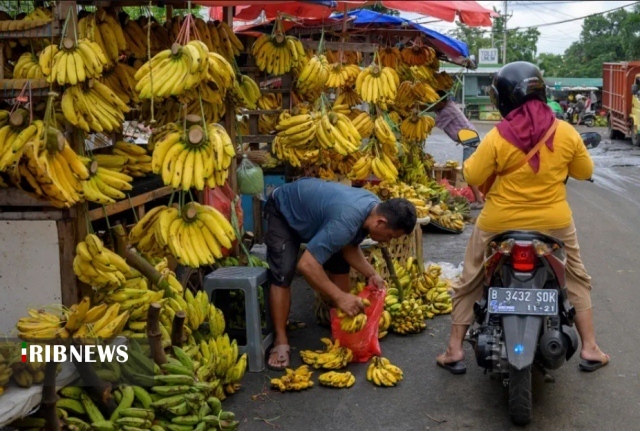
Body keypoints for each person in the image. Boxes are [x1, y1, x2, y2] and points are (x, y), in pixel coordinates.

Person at [436, 61, 609, 374]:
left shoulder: (497, 136)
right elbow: (585, 172)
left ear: (504, 98)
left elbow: (472, 173)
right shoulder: (566, 132)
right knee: (576, 277)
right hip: (554, 223)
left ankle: (454, 349)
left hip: (499, 223)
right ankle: (590, 347)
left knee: (470, 279)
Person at [263, 177, 417, 369]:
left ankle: (340, 330)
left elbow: (349, 247)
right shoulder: (346, 220)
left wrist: (371, 274)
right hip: (284, 210)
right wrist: (340, 297)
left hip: (317, 215)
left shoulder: (372, 209)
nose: (387, 241)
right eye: (390, 236)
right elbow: (307, 265)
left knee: (340, 265)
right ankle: (280, 340)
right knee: (283, 272)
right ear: (380, 222)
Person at [432, 91, 485, 209]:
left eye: (436, 102)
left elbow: (432, 124)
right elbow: (433, 108)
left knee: (468, 172)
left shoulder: (448, 110)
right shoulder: (445, 106)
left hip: (470, 141)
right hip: (469, 140)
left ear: (443, 101)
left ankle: (479, 200)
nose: (434, 105)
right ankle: (479, 197)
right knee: (469, 171)